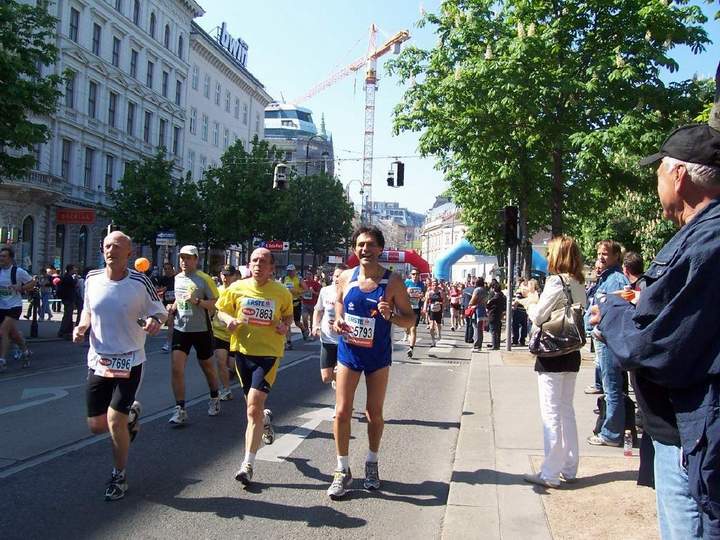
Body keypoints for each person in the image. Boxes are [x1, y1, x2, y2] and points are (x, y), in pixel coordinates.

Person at [592, 120, 720, 537]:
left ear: (679, 175)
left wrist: (611, 311)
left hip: (692, 434)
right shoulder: (696, 235)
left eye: (660, 170)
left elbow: (655, 345)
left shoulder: (708, 242)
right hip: (679, 429)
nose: (656, 180)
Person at [73, 231, 166, 501]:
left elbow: (159, 311)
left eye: (117, 247)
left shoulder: (139, 281)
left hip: (130, 358)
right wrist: (82, 326)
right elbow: (87, 310)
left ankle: (119, 476)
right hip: (99, 359)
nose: (111, 250)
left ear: (129, 253)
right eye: (107, 246)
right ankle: (132, 416)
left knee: (115, 421)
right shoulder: (91, 278)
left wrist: (155, 322)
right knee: (96, 426)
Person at [327, 226, 415, 499]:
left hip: (377, 356)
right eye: (360, 245)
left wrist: (391, 317)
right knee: (341, 412)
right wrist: (339, 319)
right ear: (355, 249)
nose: (365, 249)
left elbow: (410, 320)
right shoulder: (344, 276)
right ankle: (342, 469)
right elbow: (340, 302)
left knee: (373, 414)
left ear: (380, 249)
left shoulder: (393, 282)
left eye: (371, 244)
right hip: (349, 353)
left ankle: (372, 462)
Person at [215, 248, 293, 485]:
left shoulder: (281, 292)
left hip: (268, 354)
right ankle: (264, 421)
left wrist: (284, 326)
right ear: (249, 265)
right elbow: (220, 310)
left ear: (272, 268)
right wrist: (229, 320)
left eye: (263, 262)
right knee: (253, 406)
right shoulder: (237, 288)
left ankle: (247, 463)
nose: (258, 264)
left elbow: (288, 316)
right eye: (254, 261)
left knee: (252, 408)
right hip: (242, 352)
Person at [523, 235, 587, 488]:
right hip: (571, 350)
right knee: (566, 410)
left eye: (550, 252)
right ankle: (569, 467)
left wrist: (530, 298)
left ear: (557, 256)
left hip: (552, 350)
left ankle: (550, 473)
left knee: (551, 412)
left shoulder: (556, 282)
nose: (547, 256)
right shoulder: (579, 281)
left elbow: (538, 317)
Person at [167, 245, 221, 425]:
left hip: (201, 329)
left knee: (207, 367)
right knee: (176, 368)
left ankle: (214, 397)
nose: (184, 261)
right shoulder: (177, 278)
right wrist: (172, 308)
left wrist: (197, 301)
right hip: (182, 329)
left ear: (196, 259)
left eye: (188, 258)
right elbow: (178, 299)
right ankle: (180, 409)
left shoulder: (204, 279)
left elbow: (215, 303)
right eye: (182, 257)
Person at [586, 240, 629, 447]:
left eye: (605, 254)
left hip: (609, 341)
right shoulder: (605, 278)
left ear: (616, 257)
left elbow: (617, 310)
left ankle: (611, 433)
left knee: (612, 389)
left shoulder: (617, 280)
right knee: (609, 387)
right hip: (603, 340)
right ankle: (611, 429)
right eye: (599, 253)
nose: (600, 257)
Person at [0, 247, 35, 370]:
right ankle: (25, 352)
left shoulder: (17, 271)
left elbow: (32, 282)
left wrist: (21, 288)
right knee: (13, 334)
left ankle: (2, 360)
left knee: (3, 331)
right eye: (1, 256)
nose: (1, 258)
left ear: (10, 258)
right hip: (2, 307)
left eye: (4, 256)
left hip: (14, 306)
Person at [313, 265, 346, 386]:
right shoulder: (325, 291)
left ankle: (342, 403)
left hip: (344, 340)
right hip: (327, 339)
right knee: (326, 377)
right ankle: (337, 382)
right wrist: (315, 325)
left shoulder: (351, 293)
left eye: (342, 276)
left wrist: (342, 322)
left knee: (341, 375)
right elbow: (318, 310)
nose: (338, 279)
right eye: (336, 276)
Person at [212, 265, 239, 401]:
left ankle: (233, 372)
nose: (225, 277)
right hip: (219, 332)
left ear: (235, 276)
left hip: (235, 334)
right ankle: (226, 390)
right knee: (220, 360)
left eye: (228, 275)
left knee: (233, 365)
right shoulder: (216, 291)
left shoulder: (239, 291)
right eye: (223, 274)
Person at [282, 264, 307, 348]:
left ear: (295, 271)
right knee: (287, 322)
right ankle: (288, 342)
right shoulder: (284, 278)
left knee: (297, 322)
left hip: (296, 302)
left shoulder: (299, 279)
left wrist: (297, 292)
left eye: (291, 271)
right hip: (287, 303)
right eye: (288, 271)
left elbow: (306, 289)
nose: (290, 272)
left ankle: (304, 330)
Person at [403, 269, 426, 358]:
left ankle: (411, 348)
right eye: (413, 274)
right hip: (407, 308)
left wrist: (422, 297)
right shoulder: (407, 283)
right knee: (406, 328)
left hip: (416, 309)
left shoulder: (421, 284)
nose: (415, 275)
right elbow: (401, 294)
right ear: (411, 275)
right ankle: (407, 334)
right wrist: (407, 294)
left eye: (417, 274)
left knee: (413, 329)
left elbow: (424, 295)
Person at [56, 264, 77, 339]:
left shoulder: (65, 277)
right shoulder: (68, 277)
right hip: (68, 298)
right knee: (67, 315)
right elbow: (73, 286)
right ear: (70, 270)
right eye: (74, 269)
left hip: (66, 298)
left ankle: (69, 331)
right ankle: (62, 331)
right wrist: (75, 279)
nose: (75, 270)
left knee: (69, 314)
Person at [467, 277, 488, 351]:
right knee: (480, 329)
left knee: (476, 328)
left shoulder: (477, 290)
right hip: (483, 310)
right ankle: (479, 345)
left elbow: (473, 300)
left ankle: (476, 345)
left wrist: (470, 304)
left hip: (477, 310)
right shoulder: (485, 290)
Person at [424, 279, 445, 347]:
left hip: (438, 309)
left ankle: (439, 333)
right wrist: (425, 308)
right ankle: (433, 341)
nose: (434, 286)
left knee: (438, 324)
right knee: (432, 326)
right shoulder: (429, 293)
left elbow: (444, 301)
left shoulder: (440, 292)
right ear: (431, 285)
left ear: (437, 285)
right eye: (433, 285)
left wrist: (442, 306)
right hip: (432, 310)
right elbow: (426, 301)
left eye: (436, 285)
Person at [301, 270, 321, 339]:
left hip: (313, 304)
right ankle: (306, 331)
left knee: (313, 320)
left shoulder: (316, 284)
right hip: (305, 303)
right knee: (304, 318)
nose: (308, 275)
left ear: (312, 275)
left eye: (309, 274)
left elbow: (319, 294)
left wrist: (313, 292)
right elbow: (299, 291)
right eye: (307, 274)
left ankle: (312, 333)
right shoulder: (303, 283)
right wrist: (302, 293)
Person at [485, 281, 506, 350]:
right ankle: (497, 344)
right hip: (499, 314)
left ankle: (495, 345)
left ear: (494, 289)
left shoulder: (495, 297)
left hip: (493, 315)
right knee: (498, 331)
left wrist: (488, 303)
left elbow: (488, 305)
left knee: (493, 331)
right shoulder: (502, 296)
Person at [462, 276, 476, 344]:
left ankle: (466, 338)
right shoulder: (475, 290)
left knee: (467, 324)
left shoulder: (465, 290)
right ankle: (470, 338)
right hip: (472, 309)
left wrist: (463, 309)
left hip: (466, 309)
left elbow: (463, 301)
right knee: (471, 324)